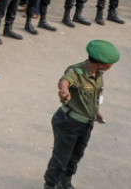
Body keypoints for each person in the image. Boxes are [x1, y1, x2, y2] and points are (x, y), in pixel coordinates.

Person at [43, 40, 120, 189]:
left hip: (86, 123)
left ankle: (65, 183)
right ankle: (50, 185)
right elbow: (65, 81)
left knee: (75, 157)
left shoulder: (98, 74)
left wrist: (96, 112)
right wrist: (64, 90)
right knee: (61, 158)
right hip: (69, 122)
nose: (112, 66)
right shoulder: (76, 71)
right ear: (101, 64)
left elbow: (92, 97)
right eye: (111, 63)